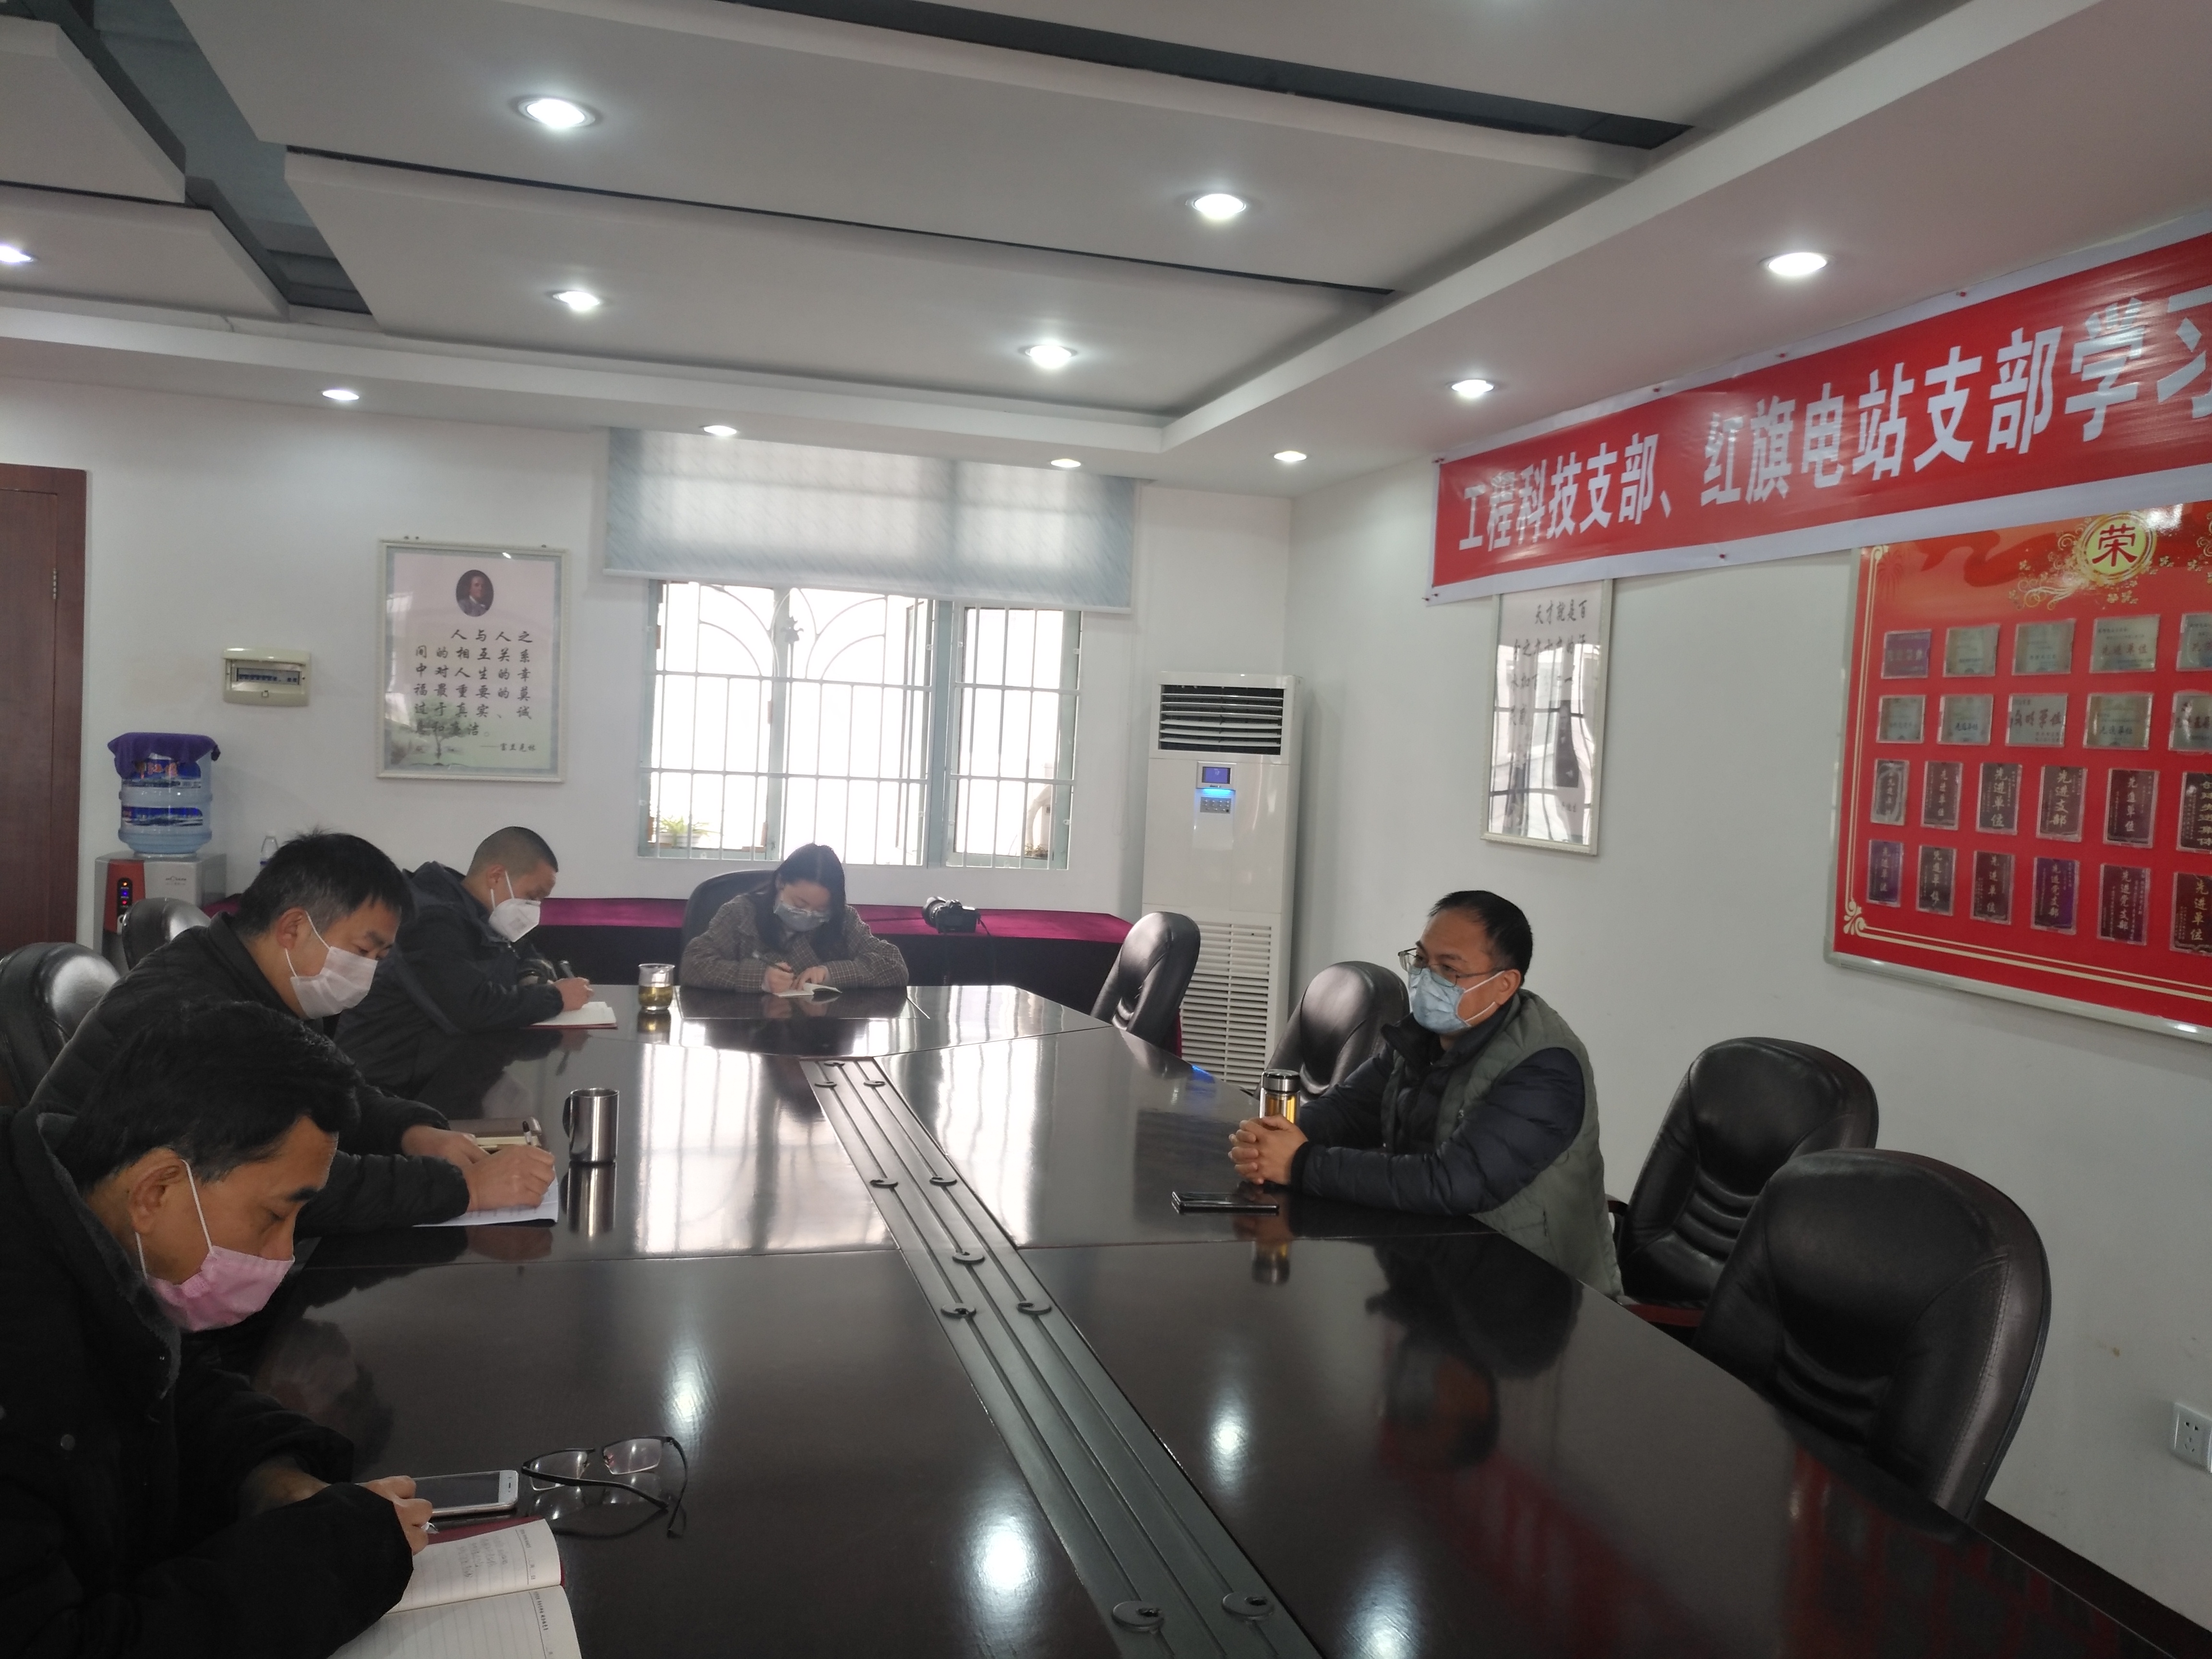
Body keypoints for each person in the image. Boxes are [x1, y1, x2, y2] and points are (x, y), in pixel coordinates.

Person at [0, 1003, 431, 1657]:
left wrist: (270, 1473)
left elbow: (165, 1380)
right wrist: (328, 1563)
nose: (283, 1252)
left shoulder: (82, 1213)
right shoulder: (21, 1352)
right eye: (274, 1216)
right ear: (157, 1190)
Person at [33, 832, 553, 1231]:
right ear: (294, 928)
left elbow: (335, 1090)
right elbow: (285, 1184)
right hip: (90, 1246)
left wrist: (412, 1131)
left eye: (380, 957)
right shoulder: (200, 1014)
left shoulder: (258, 979)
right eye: (363, 951)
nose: (368, 971)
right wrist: (465, 1190)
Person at [1230, 890, 1622, 1296]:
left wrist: (1300, 1164)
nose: (1425, 977)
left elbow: (1455, 1182)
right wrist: (1271, 1139)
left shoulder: (1545, 1067)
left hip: (1537, 1294)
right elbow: (1350, 1110)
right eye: (1421, 960)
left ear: (1504, 985)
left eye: (1449, 969)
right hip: (1433, 1265)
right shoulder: (1422, 1035)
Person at [336, 826, 591, 1094]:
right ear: (496, 876)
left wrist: (532, 976)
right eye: (532, 896)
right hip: (386, 1082)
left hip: (438, 1065)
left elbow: (526, 953)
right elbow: (471, 1008)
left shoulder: (479, 911)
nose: (535, 908)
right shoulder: (430, 920)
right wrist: (556, 998)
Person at [678, 843, 908, 992]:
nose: (808, 915)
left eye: (821, 909)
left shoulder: (844, 919)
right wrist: (759, 978)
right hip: (748, 1032)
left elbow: (894, 965)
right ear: (781, 883)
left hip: (823, 1033)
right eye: (800, 904)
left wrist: (831, 974)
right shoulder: (741, 913)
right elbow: (693, 965)